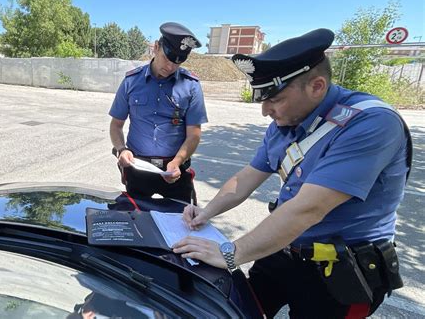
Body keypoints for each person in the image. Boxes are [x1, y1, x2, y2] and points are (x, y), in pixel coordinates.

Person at [173, 28, 412, 318]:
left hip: (338, 270)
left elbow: (308, 208)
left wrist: (230, 253)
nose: (265, 111)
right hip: (282, 247)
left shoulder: (370, 123)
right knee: (239, 309)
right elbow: (249, 175)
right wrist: (206, 213)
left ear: (317, 86)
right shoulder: (286, 121)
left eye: (274, 99)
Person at [109, 22, 208, 203]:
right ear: (156, 47)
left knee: (181, 224)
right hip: (138, 168)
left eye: (177, 62)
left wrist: (177, 161)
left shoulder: (190, 86)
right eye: (167, 58)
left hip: (175, 172)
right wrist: (121, 149)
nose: (170, 67)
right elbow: (116, 125)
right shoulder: (131, 82)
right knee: (135, 222)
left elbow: (193, 135)